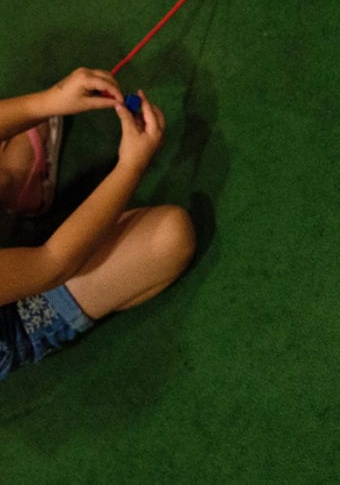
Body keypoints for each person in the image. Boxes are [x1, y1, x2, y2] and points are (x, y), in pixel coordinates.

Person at [0, 67, 195, 379]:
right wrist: (131, 166)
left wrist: (47, 102)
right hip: (16, 318)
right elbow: (52, 263)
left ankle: (14, 183)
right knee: (169, 236)